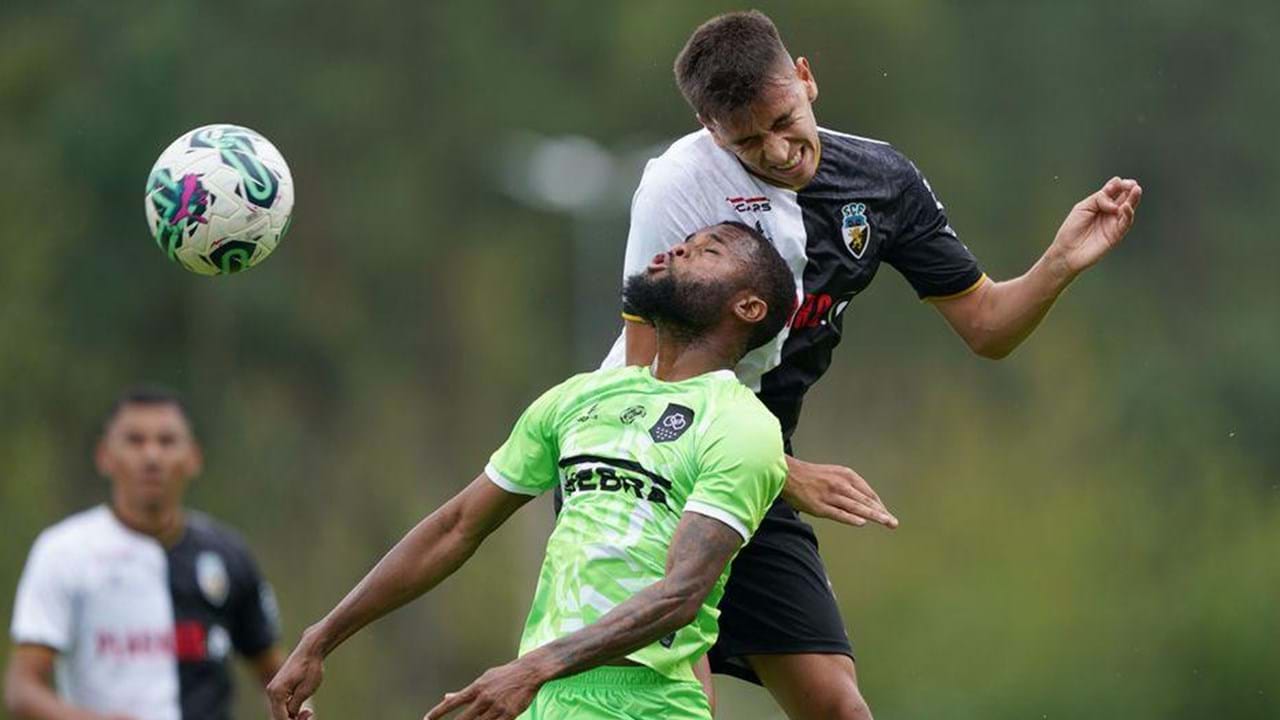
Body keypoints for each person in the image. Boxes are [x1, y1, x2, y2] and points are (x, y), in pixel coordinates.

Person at [604, 10, 1144, 719]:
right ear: (712, 131)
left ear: (805, 78)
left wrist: (1059, 262)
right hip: (653, 469)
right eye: (746, 141)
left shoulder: (882, 180)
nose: (776, 151)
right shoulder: (677, 186)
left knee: (840, 709)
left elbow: (987, 327)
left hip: (754, 475)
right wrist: (785, 473)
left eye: (782, 119)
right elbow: (637, 390)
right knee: (682, 705)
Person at [265, 221, 797, 720]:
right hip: (545, 695)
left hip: (645, 701)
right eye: (685, 240)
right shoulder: (580, 398)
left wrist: (533, 667)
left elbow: (681, 595)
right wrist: (321, 638)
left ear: (748, 307)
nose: (681, 249)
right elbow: (455, 527)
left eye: (708, 251)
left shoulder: (741, 425)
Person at [4, 387, 285, 720]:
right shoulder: (64, 552)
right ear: (104, 456)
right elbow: (22, 688)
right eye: (135, 441)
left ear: (193, 457)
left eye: (167, 442)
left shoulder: (228, 554)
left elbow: (278, 675)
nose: (152, 456)